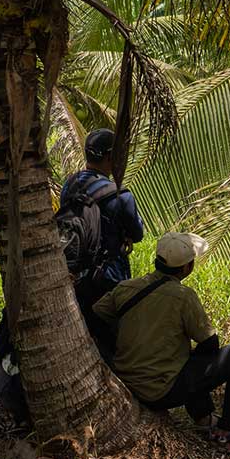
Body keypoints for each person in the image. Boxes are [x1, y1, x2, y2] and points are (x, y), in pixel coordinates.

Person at [93, 232, 230, 444]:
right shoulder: (183, 296)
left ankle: (204, 418)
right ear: (187, 267)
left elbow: (96, 317)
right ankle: (228, 428)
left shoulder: (126, 287)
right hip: (160, 392)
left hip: (126, 382)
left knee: (189, 360)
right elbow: (210, 343)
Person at [60, 128, 144, 329]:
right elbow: (137, 233)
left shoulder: (69, 185)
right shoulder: (121, 196)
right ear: (110, 157)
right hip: (109, 277)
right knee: (110, 333)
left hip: (75, 275)